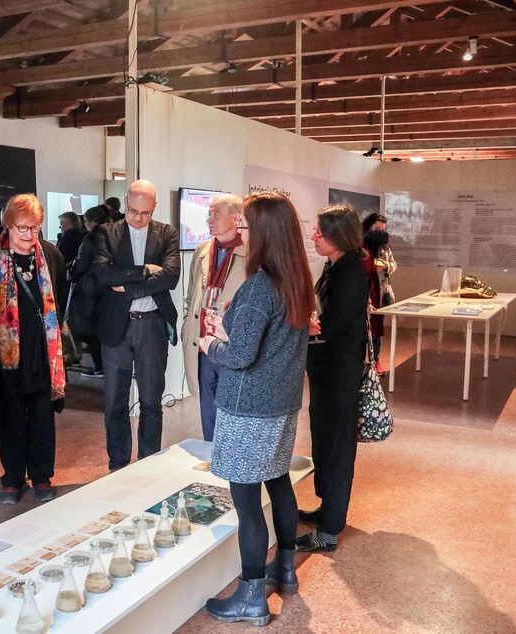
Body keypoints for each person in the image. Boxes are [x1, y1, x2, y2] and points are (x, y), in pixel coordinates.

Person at [198, 192, 315, 626]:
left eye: (245, 226)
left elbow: (240, 355)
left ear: (263, 232)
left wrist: (211, 345)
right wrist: (230, 325)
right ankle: (284, 569)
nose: (240, 233)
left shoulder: (258, 287)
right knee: (278, 482)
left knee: (247, 503)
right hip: (281, 405)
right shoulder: (295, 280)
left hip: (249, 409)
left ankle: (251, 597)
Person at [0, 194, 67, 505]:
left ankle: (42, 475)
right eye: (22, 227)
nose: (29, 234)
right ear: (7, 225)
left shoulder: (51, 256)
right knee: (9, 417)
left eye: (35, 227)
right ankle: (12, 478)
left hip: (41, 354)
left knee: (42, 416)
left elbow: (60, 299)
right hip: (3, 356)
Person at [93, 180, 180, 471]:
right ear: (125, 202)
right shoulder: (107, 232)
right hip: (116, 326)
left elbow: (170, 277)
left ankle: (148, 463)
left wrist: (128, 288)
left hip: (153, 325)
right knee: (115, 402)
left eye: (145, 213)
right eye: (132, 211)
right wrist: (144, 271)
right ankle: (118, 465)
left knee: (151, 401)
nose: (138, 218)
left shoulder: (166, 233)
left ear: (154, 207)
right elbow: (104, 274)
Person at [297, 204, 369, 553]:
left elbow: (332, 324)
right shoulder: (336, 266)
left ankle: (329, 530)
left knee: (337, 448)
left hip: (339, 374)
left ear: (339, 235)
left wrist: (311, 324)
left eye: (320, 231)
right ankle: (328, 510)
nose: (314, 236)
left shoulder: (350, 272)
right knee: (325, 442)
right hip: (327, 372)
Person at [181, 194, 247, 441]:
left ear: (236, 217)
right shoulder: (203, 250)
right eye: (209, 213)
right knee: (208, 414)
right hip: (203, 345)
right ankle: (212, 457)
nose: (210, 219)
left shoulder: (251, 253)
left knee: (234, 415)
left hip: (232, 346)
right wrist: (188, 325)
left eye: (216, 214)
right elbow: (191, 296)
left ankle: (232, 460)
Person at [67, 205, 110, 378]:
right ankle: (107, 367)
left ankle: (100, 367)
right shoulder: (114, 236)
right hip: (109, 288)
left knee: (88, 330)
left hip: (90, 291)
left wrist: (69, 274)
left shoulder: (90, 240)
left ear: (91, 221)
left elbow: (80, 264)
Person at [362, 213, 397, 376]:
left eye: (383, 229)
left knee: (377, 329)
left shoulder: (385, 246)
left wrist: (385, 266)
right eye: (376, 228)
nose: (380, 232)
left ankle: (375, 362)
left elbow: (393, 264)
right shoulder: (360, 245)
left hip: (381, 291)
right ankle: (361, 364)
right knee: (363, 329)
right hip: (365, 290)